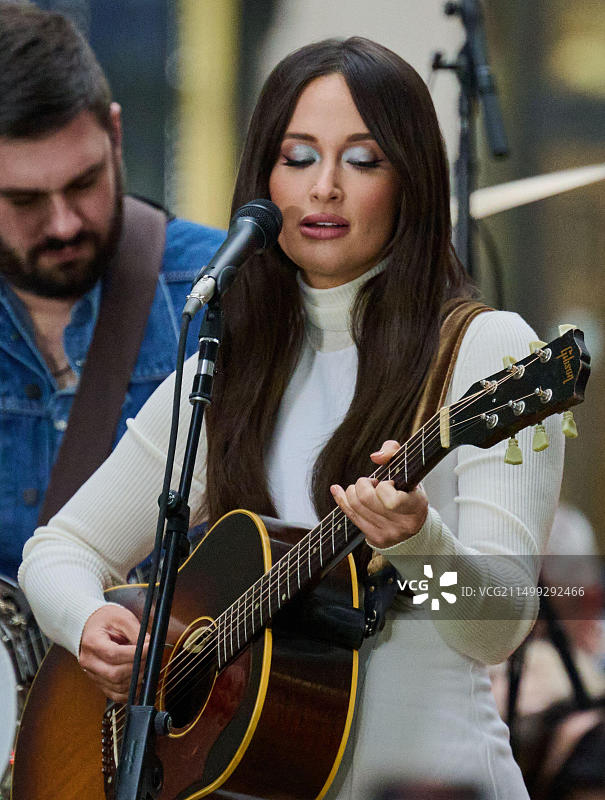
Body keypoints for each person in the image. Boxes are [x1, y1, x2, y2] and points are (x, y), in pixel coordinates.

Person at [20, 37, 566, 799]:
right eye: (298, 156)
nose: (326, 188)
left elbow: (496, 626)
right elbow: (58, 550)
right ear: (263, 180)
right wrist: (88, 624)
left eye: (363, 159)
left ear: (410, 179)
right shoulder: (229, 366)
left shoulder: (488, 351)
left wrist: (418, 543)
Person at [0, 2, 224, 580]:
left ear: (116, 135)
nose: (64, 223)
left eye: (84, 182)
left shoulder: (230, 287)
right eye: (24, 200)